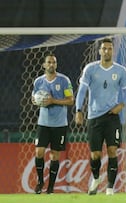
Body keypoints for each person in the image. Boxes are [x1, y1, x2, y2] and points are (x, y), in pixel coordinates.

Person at [75, 38, 126, 195]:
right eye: (104, 49)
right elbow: (82, 91)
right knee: (95, 155)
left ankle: (110, 188)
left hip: (112, 117)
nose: (107, 51)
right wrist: (78, 110)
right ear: (99, 51)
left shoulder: (120, 71)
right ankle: (96, 178)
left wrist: (122, 104)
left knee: (113, 151)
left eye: (109, 49)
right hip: (94, 117)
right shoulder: (90, 69)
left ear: (113, 51)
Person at [31, 53, 74, 194]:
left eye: (54, 62)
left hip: (59, 124)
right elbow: (34, 97)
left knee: (55, 155)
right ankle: (40, 181)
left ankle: (50, 187)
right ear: (44, 65)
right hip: (43, 123)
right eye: (49, 62)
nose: (51, 65)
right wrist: (36, 100)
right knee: (39, 152)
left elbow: (70, 100)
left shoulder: (64, 80)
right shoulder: (38, 81)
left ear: (56, 64)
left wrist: (53, 101)